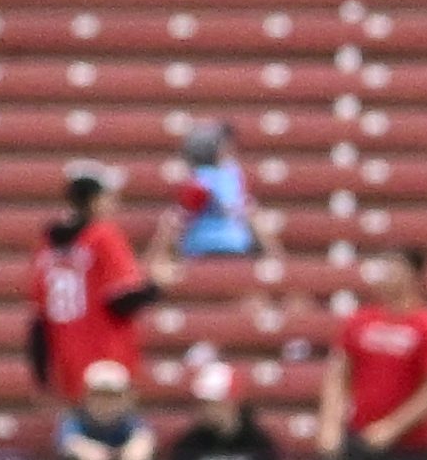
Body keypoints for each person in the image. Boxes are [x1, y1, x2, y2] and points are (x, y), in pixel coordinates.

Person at [324, 248, 427, 460]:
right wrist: (330, 426)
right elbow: (338, 374)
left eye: (394, 268)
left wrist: (393, 426)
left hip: (407, 447)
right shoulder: (360, 320)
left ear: (414, 276)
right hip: (358, 436)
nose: (386, 275)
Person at [29, 166, 159, 405]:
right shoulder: (103, 236)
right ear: (95, 201)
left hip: (66, 364)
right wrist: (155, 287)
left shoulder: (47, 245)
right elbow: (121, 301)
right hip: (108, 359)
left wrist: (41, 376)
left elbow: (39, 317)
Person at [162, 122, 263, 276]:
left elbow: (181, 220)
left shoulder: (199, 181)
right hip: (235, 245)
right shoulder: (233, 177)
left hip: (203, 247)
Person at [53, 361, 157, 460]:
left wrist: (116, 456)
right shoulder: (74, 421)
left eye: (113, 397)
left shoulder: (132, 422)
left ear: (125, 399)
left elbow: (141, 447)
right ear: (87, 397)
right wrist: (95, 453)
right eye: (99, 396)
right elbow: (73, 445)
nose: (106, 404)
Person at [162, 394, 286, 460]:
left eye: (214, 405)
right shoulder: (188, 444)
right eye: (205, 405)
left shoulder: (258, 443)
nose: (208, 411)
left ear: (232, 405)